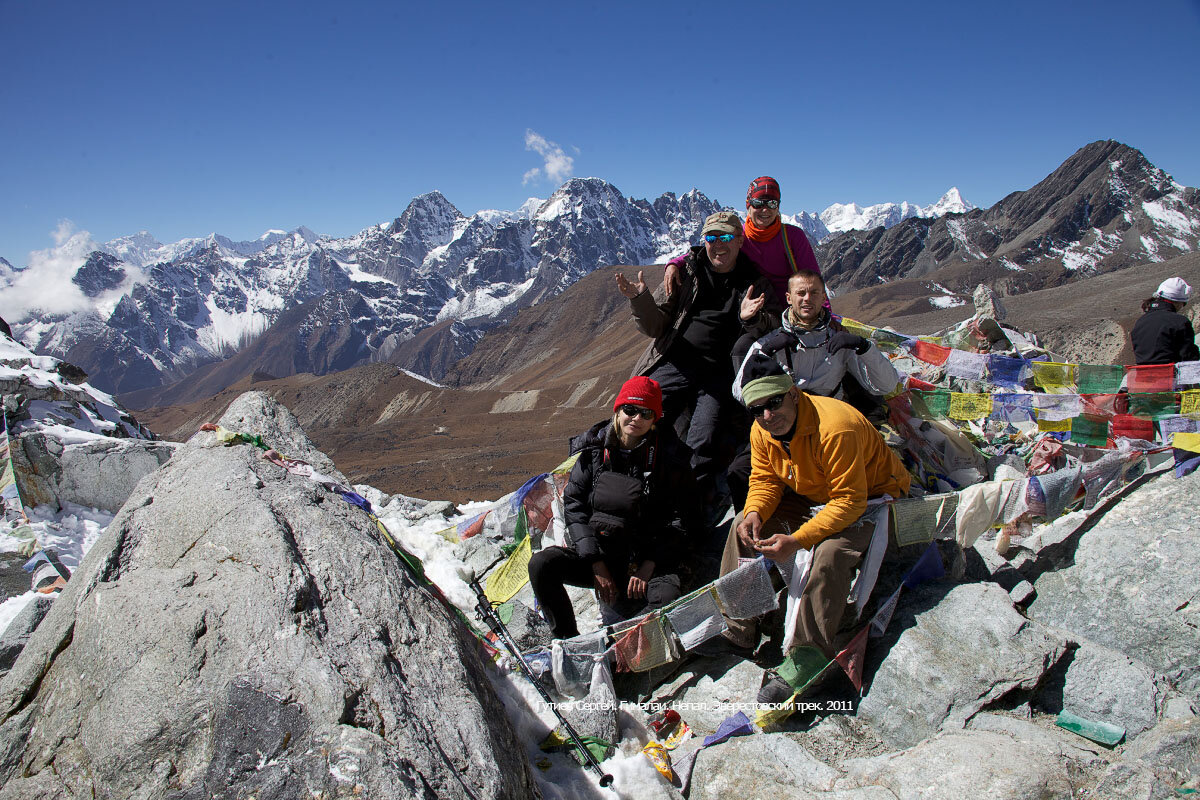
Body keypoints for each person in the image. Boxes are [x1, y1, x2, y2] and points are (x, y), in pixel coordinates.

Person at [718, 355, 911, 702]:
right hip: (815, 493)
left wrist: (797, 540)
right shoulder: (763, 431)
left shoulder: (835, 426)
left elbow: (851, 500)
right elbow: (765, 478)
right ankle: (741, 626)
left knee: (829, 553)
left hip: (875, 500)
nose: (766, 415)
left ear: (792, 393)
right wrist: (754, 511)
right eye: (757, 409)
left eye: (774, 402)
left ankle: (808, 656)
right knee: (741, 529)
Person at [617, 211, 782, 504]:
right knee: (639, 413)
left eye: (727, 237)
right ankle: (624, 484)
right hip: (675, 361)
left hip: (719, 374)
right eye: (711, 237)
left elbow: (774, 325)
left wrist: (750, 319)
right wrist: (640, 300)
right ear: (703, 241)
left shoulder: (754, 282)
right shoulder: (686, 273)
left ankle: (685, 503)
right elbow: (656, 326)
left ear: (740, 240)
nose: (719, 244)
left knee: (703, 437)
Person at [527, 377, 703, 639]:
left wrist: (649, 565)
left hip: (649, 562)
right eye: (629, 410)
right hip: (603, 555)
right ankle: (569, 641)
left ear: (655, 418)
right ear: (617, 411)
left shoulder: (672, 459)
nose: (636, 418)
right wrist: (596, 563)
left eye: (646, 413)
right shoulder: (594, 453)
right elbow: (575, 507)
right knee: (542, 565)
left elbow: (684, 519)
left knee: (666, 598)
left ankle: (632, 653)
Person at [733, 271, 899, 414]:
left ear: (823, 298)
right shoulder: (771, 343)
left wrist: (864, 347)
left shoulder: (841, 340)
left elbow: (886, 385)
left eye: (814, 293)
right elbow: (741, 393)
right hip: (785, 421)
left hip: (831, 417)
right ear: (789, 298)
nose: (807, 299)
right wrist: (765, 354)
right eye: (801, 293)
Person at [663, 176, 821, 305]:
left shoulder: (793, 236)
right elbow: (707, 252)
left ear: (778, 207)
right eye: (758, 203)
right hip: (754, 308)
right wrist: (675, 263)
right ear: (748, 205)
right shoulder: (738, 235)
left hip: (792, 310)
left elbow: (813, 280)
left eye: (772, 203)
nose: (765, 210)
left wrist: (826, 313)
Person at [1131, 277, 1199, 365]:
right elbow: (1189, 359)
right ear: (1177, 302)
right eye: (1183, 304)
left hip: (1143, 376)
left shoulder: (1141, 321)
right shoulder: (1180, 322)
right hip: (1170, 376)